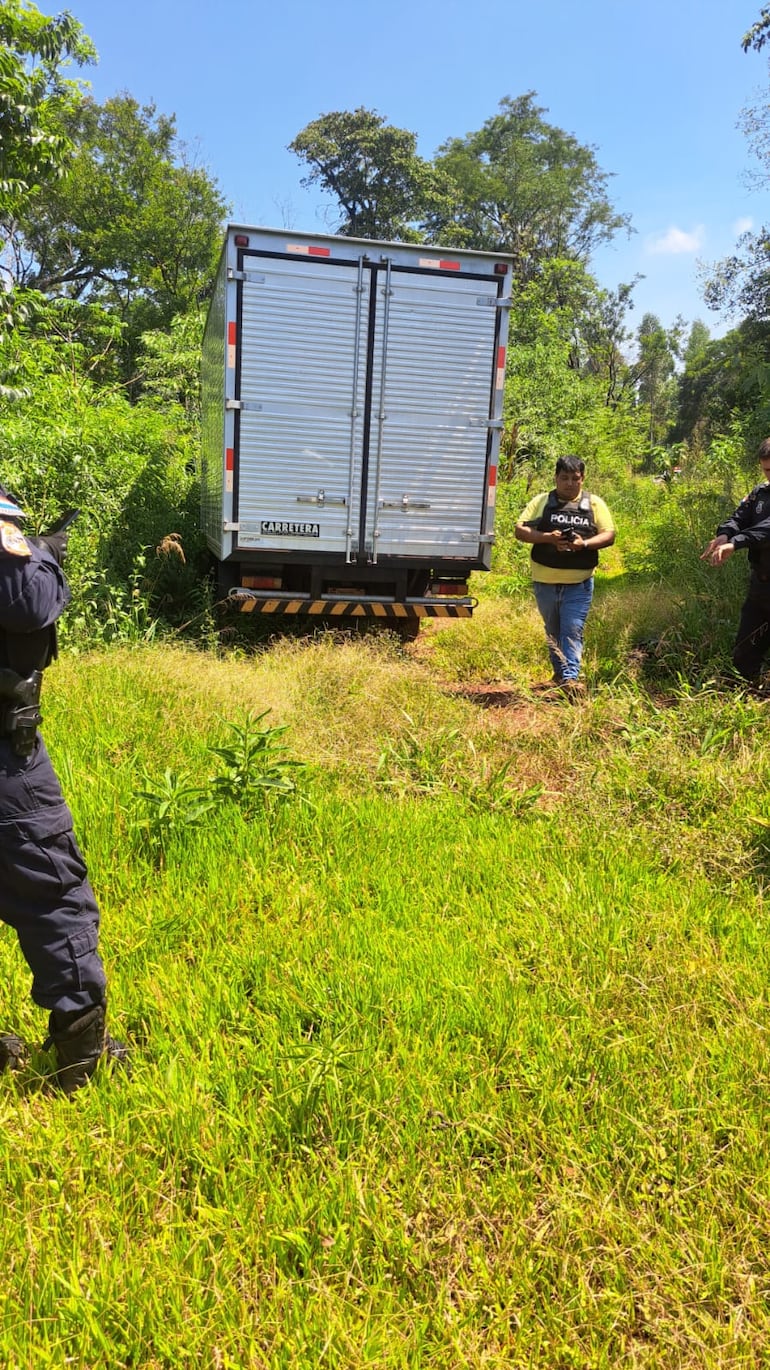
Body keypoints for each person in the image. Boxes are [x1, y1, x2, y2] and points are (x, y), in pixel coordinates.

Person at [0, 484, 126, 1093]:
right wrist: (42, 553)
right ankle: (83, 1054)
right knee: (54, 889)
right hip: (7, 764)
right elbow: (29, 601)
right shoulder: (6, 539)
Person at [515, 456, 616, 695]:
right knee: (553, 630)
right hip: (545, 581)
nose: (570, 483)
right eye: (564, 478)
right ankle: (560, 675)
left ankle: (571, 679)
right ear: (556, 478)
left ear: (582, 479)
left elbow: (609, 534)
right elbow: (520, 530)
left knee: (572, 628)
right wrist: (548, 538)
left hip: (579, 583)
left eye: (575, 479)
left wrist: (584, 544)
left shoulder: (594, 504)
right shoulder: (542, 502)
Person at [701, 436, 770, 683]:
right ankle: (749, 690)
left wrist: (736, 542)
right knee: (745, 649)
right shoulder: (760, 493)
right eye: (767, 470)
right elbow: (739, 517)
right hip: (761, 583)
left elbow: (767, 529)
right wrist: (724, 534)